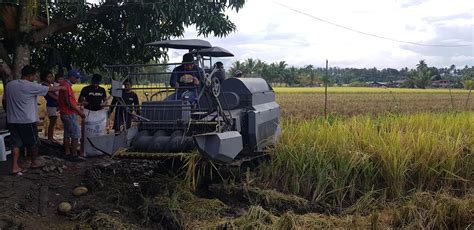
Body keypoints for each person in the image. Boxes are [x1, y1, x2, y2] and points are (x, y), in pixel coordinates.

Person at [5, 65, 65, 175]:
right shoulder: (29, 86)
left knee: (15, 144)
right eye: (33, 76)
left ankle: (14, 166)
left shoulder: (10, 85)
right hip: (26, 120)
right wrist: (62, 87)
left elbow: (5, 100)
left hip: (12, 120)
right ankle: (34, 162)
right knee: (34, 143)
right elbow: (49, 89)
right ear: (30, 76)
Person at [58, 69, 86, 161]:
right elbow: (69, 102)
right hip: (69, 113)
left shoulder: (64, 84)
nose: (77, 80)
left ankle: (67, 153)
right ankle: (74, 155)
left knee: (67, 134)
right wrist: (79, 112)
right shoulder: (66, 86)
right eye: (76, 78)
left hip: (64, 112)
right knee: (75, 134)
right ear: (71, 77)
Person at [40, 70, 59, 142]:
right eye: (49, 77)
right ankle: (50, 138)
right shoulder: (45, 86)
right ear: (44, 78)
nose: (51, 78)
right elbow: (51, 96)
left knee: (53, 122)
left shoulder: (50, 85)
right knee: (52, 122)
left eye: (51, 76)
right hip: (51, 105)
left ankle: (51, 137)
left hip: (54, 105)